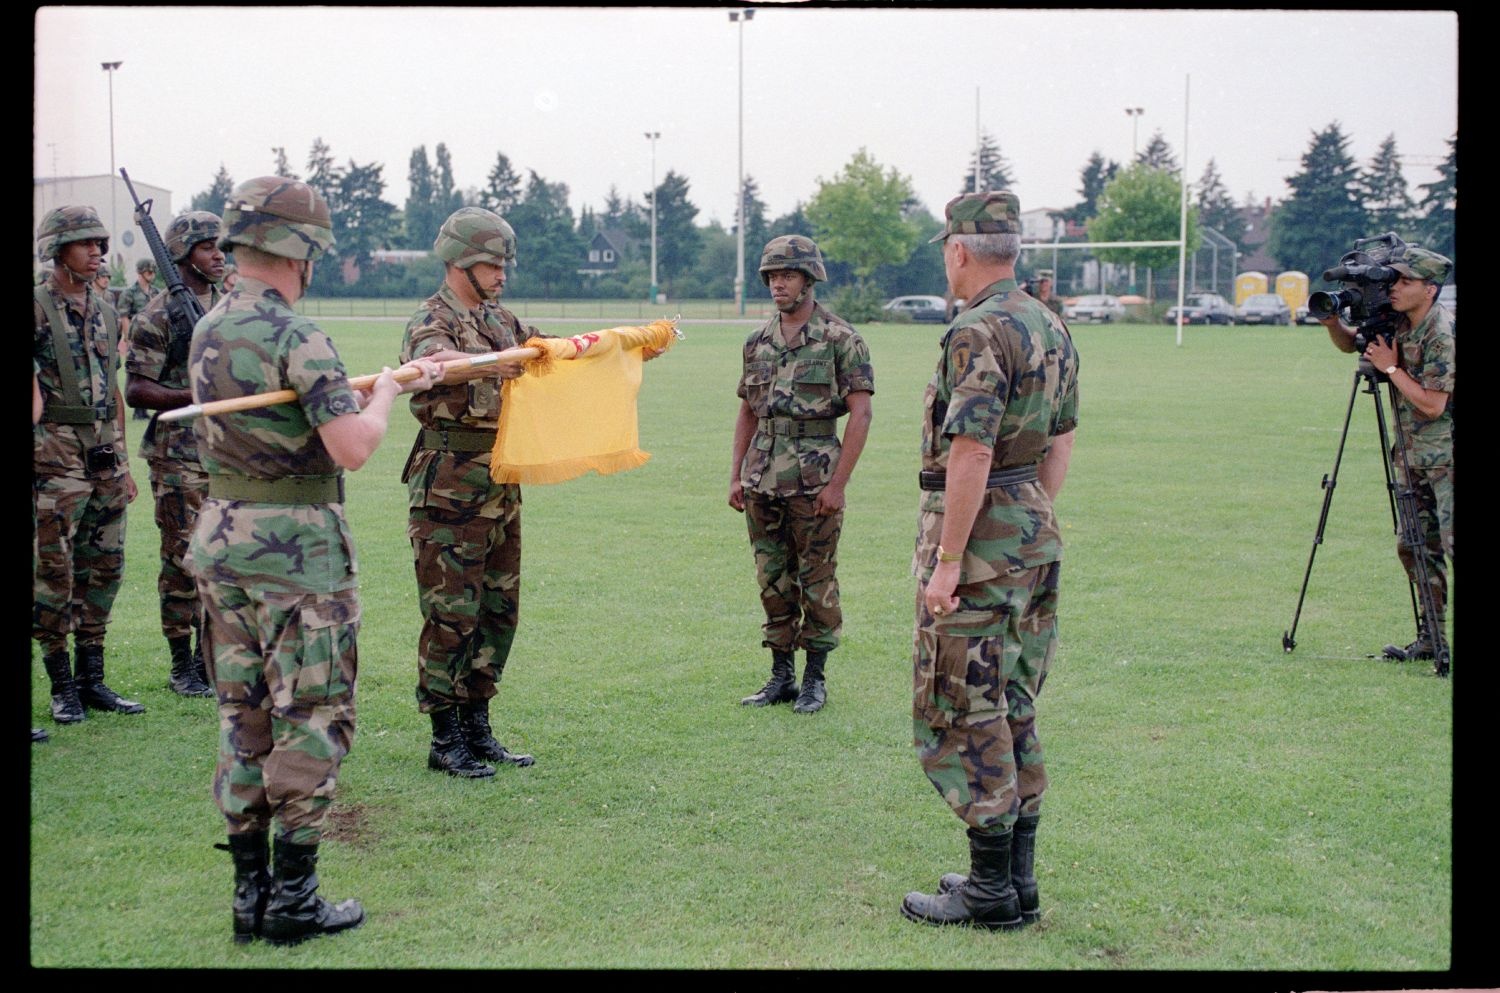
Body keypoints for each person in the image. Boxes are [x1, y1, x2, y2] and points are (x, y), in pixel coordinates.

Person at [189, 176, 438, 945]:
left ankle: (248, 895)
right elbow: (352, 446)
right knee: (310, 714)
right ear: (299, 251)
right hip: (296, 553)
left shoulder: (209, 327)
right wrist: (391, 389)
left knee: (243, 716)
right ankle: (294, 902)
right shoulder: (299, 336)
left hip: (223, 539)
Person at [899, 191, 1078, 930]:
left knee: (963, 702)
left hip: (980, 534)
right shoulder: (1049, 322)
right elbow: (1060, 437)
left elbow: (969, 448)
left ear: (958, 250)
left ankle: (989, 891)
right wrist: (1028, 513)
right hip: (1031, 523)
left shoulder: (976, 331)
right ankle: (1018, 879)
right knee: (1012, 697)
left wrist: (949, 558)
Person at [399, 206, 543, 778]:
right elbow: (433, 363)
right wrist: (494, 363)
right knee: (449, 611)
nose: (503, 273)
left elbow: (548, 351)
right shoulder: (430, 319)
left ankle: (478, 723)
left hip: (501, 481)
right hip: (448, 488)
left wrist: (618, 347)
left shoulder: (500, 321)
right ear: (461, 262)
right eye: (492, 263)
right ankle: (444, 735)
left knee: (496, 610)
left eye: (504, 263)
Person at [728, 235, 874, 714]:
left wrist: (838, 485)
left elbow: (861, 414)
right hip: (762, 477)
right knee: (772, 578)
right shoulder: (758, 342)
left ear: (810, 279)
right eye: (771, 277)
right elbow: (748, 412)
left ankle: (815, 679)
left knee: (817, 577)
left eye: (787, 275)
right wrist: (736, 475)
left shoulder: (840, 339)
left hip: (814, 481)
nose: (777, 285)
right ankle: (780, 675)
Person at [33, 205, 143, 727]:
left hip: (103, 453)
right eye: (85, 242)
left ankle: (91, 678)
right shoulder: (36, 307)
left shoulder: (105, 307)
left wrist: (121, 460)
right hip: (52, 457)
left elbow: (115, 390)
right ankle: (60, 686)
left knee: (105, 566)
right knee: (54, 572)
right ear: (57, 250)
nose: (97, 250)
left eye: (100, 241)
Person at [1317, 247, 1454, 667]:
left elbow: (1432, 406)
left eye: (1405, 282)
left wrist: (1392, 370)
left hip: (1447, 459)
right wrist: (1331, 319)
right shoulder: (1396, 321)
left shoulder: (1441, 333)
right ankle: (1431, 639)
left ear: (1429, 290)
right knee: (1412, 546)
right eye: (1393, 280)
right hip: (1411, 456)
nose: (1394, 288)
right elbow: (1352, 346)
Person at [124, 210, 227, 697]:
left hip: (226, 453)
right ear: (185, 253)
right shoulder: (158, 314)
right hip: (178, 454)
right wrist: (193, 396)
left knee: (220, 559)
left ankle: (211, 659)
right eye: (209, 247)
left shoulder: (228, 306)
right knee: (182, 559)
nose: (219, 255)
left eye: (220, 246)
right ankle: (181, 663)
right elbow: (137, 390)